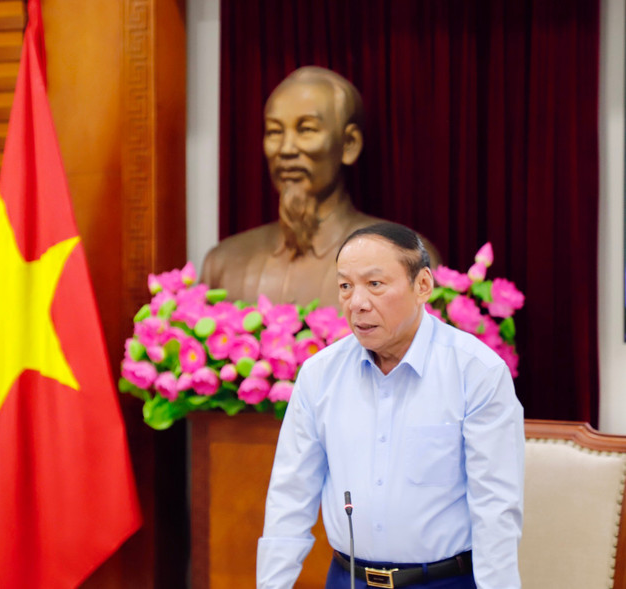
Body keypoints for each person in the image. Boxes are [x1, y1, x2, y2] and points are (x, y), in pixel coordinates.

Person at [257, 222, 524, 589]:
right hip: (348, 579)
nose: (357, 302)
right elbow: (290, 496)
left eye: (375, 284)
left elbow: (496, 510)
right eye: (345, 286)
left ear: (423, 285)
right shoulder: (320, 374)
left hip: (444, 581)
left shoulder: (475, 372)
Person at [200, 67, 438, 308]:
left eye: (306, 130)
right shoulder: (223, 264)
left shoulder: (405, 258)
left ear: (349, 144)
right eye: (274, 131)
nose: (286, 149)